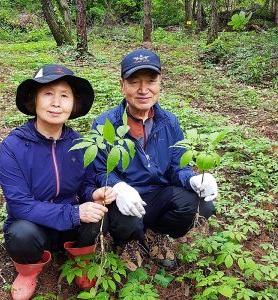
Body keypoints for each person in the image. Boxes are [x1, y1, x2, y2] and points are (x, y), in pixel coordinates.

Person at [0, 64, 117, 300]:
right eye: (48, 94)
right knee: (21, 234)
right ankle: (27, 271)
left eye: (64, 96)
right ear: (34, 100)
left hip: (69, 225)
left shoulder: (80, 144)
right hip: (34, 226)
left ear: (74, 104)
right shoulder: (13, 146)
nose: (56, 103)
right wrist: (74, 213)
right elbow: (20, 204)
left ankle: (81, 260)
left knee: (100, 213)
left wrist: (93, 194)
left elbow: (84, 185)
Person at [92, 49, 217, 271]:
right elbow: (99, 172)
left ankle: (154, 234)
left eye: (151, 81)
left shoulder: (168, 121)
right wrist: (118, 186)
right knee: (124, 214)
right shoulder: (105, 124)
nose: (143, 90)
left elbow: (177, 167)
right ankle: (127, 241)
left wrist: (193, 180)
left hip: (158, 194)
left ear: (160, 83)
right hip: (125, 198)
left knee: (202, 205)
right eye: (134, 82)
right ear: (122, 85)